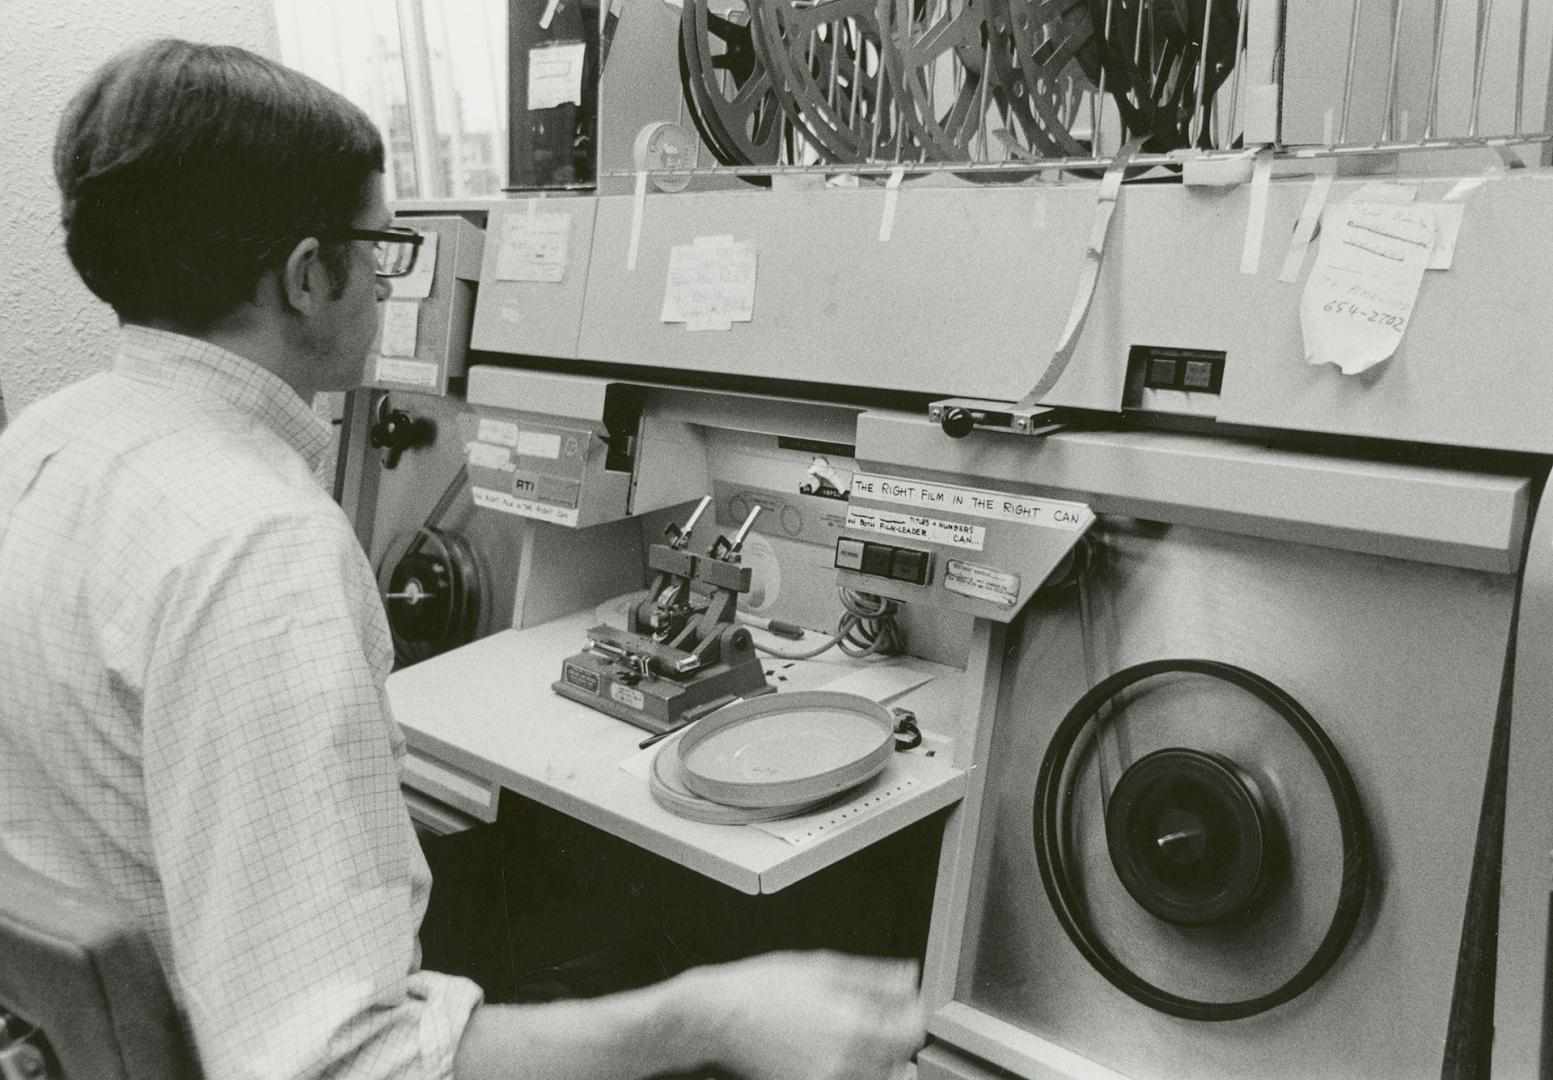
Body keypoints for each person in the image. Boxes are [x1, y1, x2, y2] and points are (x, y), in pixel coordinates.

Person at [0, 39, 926, 1080]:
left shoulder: (44, 442)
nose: (391, 284)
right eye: (380, 246)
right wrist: (709, 1018)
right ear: (307, 276)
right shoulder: (262, 551)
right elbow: (349, 1068)